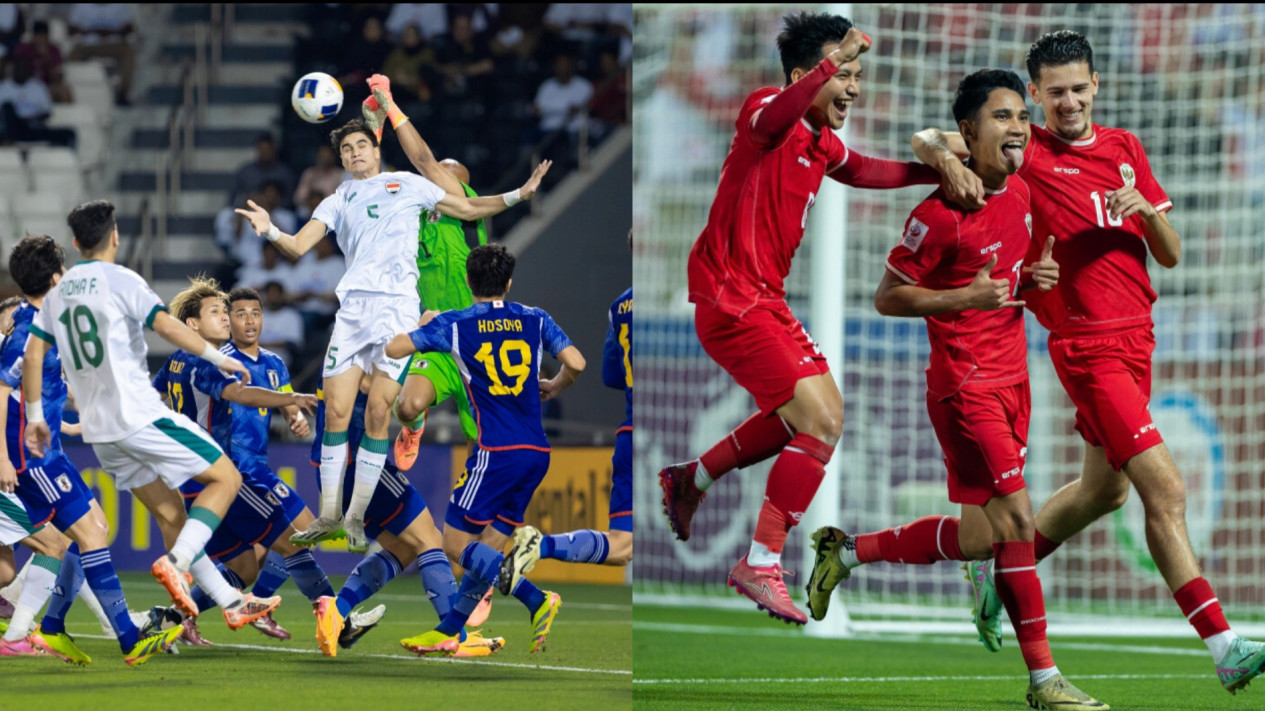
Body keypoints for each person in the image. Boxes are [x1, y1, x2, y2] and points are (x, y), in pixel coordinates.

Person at [911, 30, 1265, 694]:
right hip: (1086, 346)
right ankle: (1223, 643)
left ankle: (999, 568)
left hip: (1138, 341)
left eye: (1078, 88)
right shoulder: (1024, 149)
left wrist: (1144, 213)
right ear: (1035, 94)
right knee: (1165, 491)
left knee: (1105, 489)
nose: (1067, 101)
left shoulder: (1125, 148)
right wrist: (940, 153)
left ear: (1095, 85)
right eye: (1053, 92)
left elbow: (1170, 252)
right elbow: (929, 138)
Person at [807, 69, 1107, 711]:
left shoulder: (1023, 186)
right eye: (1003, 117)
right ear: (969, 132)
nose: (1019, 127)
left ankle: (847, 550)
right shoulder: (940, 212)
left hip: (1013, 380)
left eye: (1022, 116)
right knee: (1019, 521)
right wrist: (960, 297)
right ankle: (1044, 680)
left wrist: (1032, 281)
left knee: (980, 540)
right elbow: (887, 297)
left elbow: (1005, 278)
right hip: (965, 387)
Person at [655, 12, 941, 625]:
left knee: (805, 423)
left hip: (766, 300)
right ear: (805, 74)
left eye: (858, 75)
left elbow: (865, 169)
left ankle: (693, 479)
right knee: (823, 417)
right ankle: (761, 562)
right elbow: (775, 116)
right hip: (732, 299)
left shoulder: (820, 143)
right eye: (845, 74)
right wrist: (827, 68)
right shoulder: (767, 113)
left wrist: (935, 171)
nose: (854, 88)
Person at [235, 73, 550, 554]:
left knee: (382, 411)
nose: (355, 153)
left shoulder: (409, 185)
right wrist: (269, 230)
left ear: (375, 150)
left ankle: (357, 518)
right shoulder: (338, 198)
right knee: (338, 412)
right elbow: (299, 246)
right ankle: (328, 516)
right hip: (352, 310)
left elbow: (469, 210)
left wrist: (519, 196)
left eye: (362, 145)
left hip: (398, 314)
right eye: (347, 150)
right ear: (341, 160)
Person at [21, 200, 279, 630]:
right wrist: (219, 356)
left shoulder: (58, 293)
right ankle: (176, 562)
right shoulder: (122, 279)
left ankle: (230, 600)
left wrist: (34, 415)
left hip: (101, 434)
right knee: (226, 479)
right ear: (115, 236)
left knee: (173, 513)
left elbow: (33, 356)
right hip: (139, 415)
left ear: (76, 242)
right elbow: (166, 326)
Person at [384, 243, 583, 655]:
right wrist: (557, 384)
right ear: (508, 283)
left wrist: (425, 321)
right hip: (536, 453)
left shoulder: (456, 324)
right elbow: (577, 362)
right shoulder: (534, 317)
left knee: (455, 546)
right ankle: (450, 629)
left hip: (495, 452)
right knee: (488, 546)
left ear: (467, 282)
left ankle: (536, 599)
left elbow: (394, 349)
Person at [150, 281, 321, 642]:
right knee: (296, 541)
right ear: (193, 325)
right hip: (225, 474)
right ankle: (333, 612)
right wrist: (293, 398)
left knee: (244, 565)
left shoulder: (176, 359)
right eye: (220, 312)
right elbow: (240, 393)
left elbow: (151, 397)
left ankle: (172, 619)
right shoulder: (206, 361)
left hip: (195, 478)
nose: (229, 319)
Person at [310, 372, 502, 658]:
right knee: (430, 541)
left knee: (405, 547)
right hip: (362, 466)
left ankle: (336, 611)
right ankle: (456, 637)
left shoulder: (340, 347)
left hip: (331, 467)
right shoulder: (370, 348)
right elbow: (376, 389)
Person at [500, 238, 633, 589]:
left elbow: (611, 375)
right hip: (666, 432)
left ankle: (541, 545)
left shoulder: (620, 306)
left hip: (630, 436)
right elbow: (587, 367)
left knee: (623, 545)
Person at [392, 157, 487, 471]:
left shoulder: (470, 212)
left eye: (449, 179)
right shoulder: (414, 219)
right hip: (435, 335)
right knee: (405, 406)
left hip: (475, 339)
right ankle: (414, 424)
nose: (438, 182)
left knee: (478, 435)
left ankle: (480, 498)